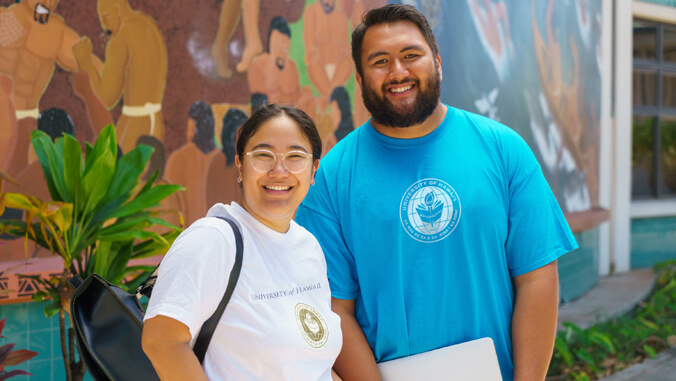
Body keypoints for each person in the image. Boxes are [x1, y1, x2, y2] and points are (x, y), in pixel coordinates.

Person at [294, 4, 578, 381]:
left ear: (438, 62)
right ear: (360, 80)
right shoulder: (331, 176)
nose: (398, 71)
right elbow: (333, 309)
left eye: (411, 55)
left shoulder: (504, 149)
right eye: (380, 61)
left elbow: (537, 277)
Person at [142, 104, 343, 380]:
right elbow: (161, 341)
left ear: (313, 170)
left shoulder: (308, 247)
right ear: (240, 165)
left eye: (295, 157)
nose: (279, 170)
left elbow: (313, 364)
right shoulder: (213, 240)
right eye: (263, 155)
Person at [72, 0, 168, 154]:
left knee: (118, 174)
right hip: (156, 123)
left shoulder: (121, 37)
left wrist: (85, 62)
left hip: (133, 126)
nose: (104, 26)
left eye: (106, 17)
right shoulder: (149, 26)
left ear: (118, 9)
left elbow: (106, 98)